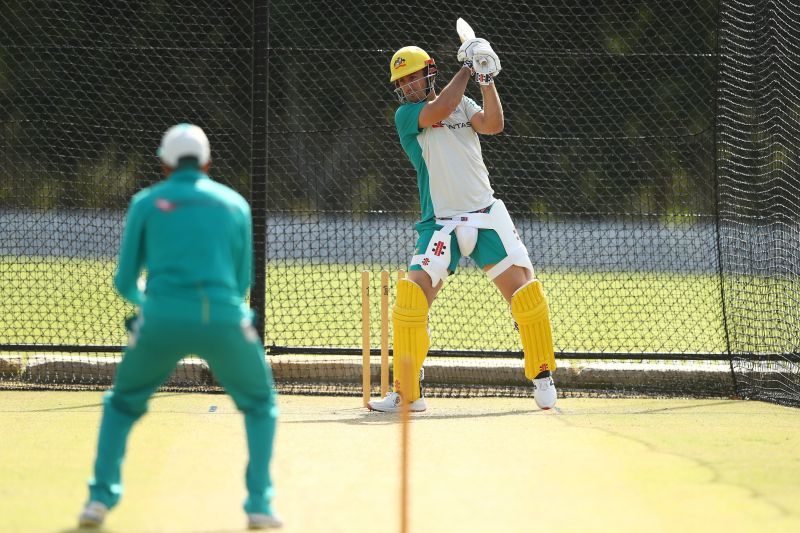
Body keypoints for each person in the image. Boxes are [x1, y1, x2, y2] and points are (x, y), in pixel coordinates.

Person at [77, 124, 281, 530]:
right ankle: (259, 504)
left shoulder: (146, 203)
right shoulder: (235, 203)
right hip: (224, 320)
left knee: (121, 404)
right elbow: (242, 283)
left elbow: (123, 282)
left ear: (164, 164)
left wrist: (146, 301)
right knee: (260, 405)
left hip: (160, 320)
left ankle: (99, 501)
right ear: (207, 162)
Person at [367, 39, 557, 413]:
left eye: (411, 78)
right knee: (411, 298)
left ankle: (543, 376)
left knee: (525, 295)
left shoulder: (465, 104)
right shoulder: (407, 116)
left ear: (429, 73)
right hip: (440, 224)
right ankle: (408, 392)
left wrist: (486, 78)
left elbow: (493, 124)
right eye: (400, 82)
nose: (405, 87)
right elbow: (443, 106)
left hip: (485, 215)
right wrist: (469, 68)